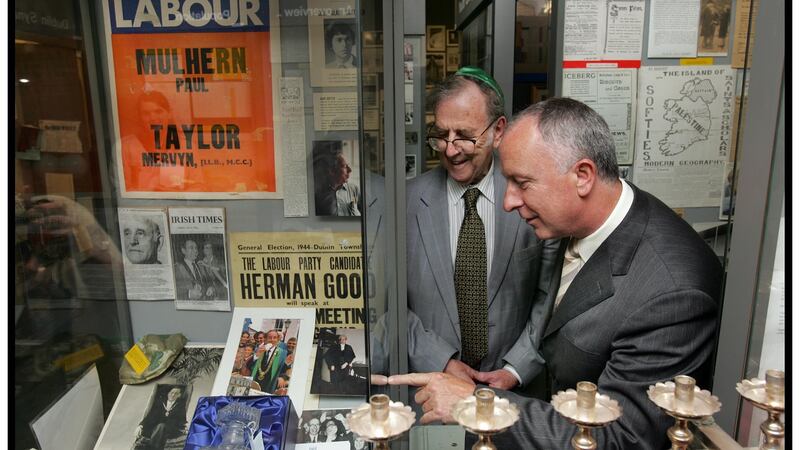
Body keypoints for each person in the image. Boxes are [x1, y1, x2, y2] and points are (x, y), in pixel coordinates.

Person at [390, 98, 723, 449]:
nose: (508, 202)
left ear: (583, 176)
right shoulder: (573, 223)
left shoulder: (672, 294)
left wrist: (475, 404)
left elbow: (620, 438)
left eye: (521, 183)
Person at [406, 67, 552, 393]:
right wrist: (441, 361)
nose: (450, 149)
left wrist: (516, 368)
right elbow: (391, 307)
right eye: (441, 134)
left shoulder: (533, 198)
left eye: (464, 135)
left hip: (512, 394)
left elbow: (549, 296)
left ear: (498, 131)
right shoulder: (407, 203)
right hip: (432, 390)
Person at [313, 142, 362, 216]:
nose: (350, 170)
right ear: (332, 171)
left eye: (348, 166)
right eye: (345, 166)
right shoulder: (318, 196)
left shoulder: (354, 190)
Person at [134, 385, 187, 450]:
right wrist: (141, 425)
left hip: (171, 430)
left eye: (176, 393)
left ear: (179, 395)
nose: (173, 395)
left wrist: (184, 427)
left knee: (161, 426)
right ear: (168, 393)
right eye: (171, 392)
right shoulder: (160, 403)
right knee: (159, 427)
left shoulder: (180, 406)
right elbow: (151, 416)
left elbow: (182, 420)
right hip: (156, 428)